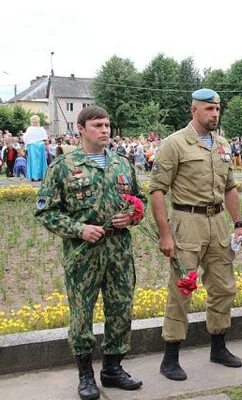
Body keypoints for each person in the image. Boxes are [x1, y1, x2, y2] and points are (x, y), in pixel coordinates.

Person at [35, 106, 144, 400]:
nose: (105, 130)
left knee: (120, 309)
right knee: (82, 315)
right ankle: (85, 374)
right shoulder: (63, 167)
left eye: (107, 125)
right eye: (98, 125)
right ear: (81, 129)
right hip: (83, 254)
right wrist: (79, 229)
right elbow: (45, 212)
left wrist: (131, 216)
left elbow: (139, 201)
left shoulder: (122, 164)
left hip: (118, 251)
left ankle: (113, 368)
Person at [149, 88, 242, 381]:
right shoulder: (174, 144)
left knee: (223, 286)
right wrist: (165, 235)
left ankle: (218, 347)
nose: (214, 114)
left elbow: (230, 187)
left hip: (217, 222)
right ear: (193, 110)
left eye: (217, 109)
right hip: (186, 221)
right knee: (182, 289)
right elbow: (156, 190)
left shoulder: (223, 145)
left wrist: (239, 223)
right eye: (208, 109)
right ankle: (170, 358)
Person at [24, 115, 48, 181]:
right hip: (34, 147)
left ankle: (39, 176)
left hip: (38, 146)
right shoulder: (30, 129)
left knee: (39, 161)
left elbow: (45, 138)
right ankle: (35, 176)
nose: (35, 123)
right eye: (34, 122)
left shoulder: (40, 129)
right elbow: (26, 139)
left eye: (36, 122)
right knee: (35, 161)